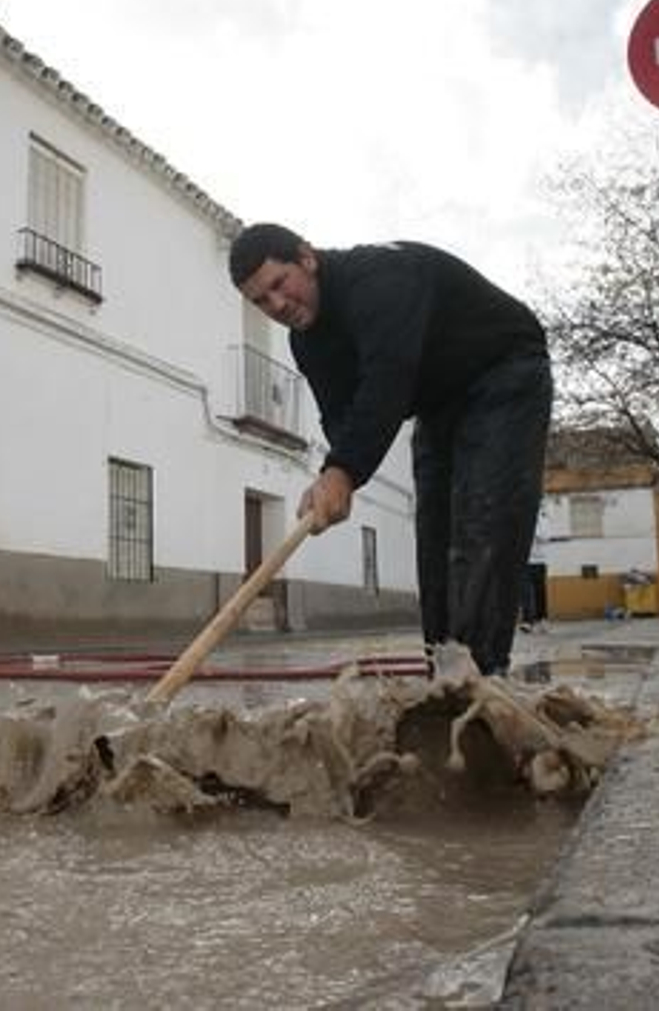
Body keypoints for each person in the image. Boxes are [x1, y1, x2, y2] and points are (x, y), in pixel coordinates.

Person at [228, 223, 551, 677]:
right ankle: (443, 674)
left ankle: (478, 681)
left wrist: (344, 470)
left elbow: (386, 382)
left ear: (306, 258)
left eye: (280, 284)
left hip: (505, 369)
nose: (277, 305)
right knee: (435, 539)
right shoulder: (306, 342)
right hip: (437, 403)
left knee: (484, 521)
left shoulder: (379, 277)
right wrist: (333, 480)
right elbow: (341, 418)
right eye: (261, 301)